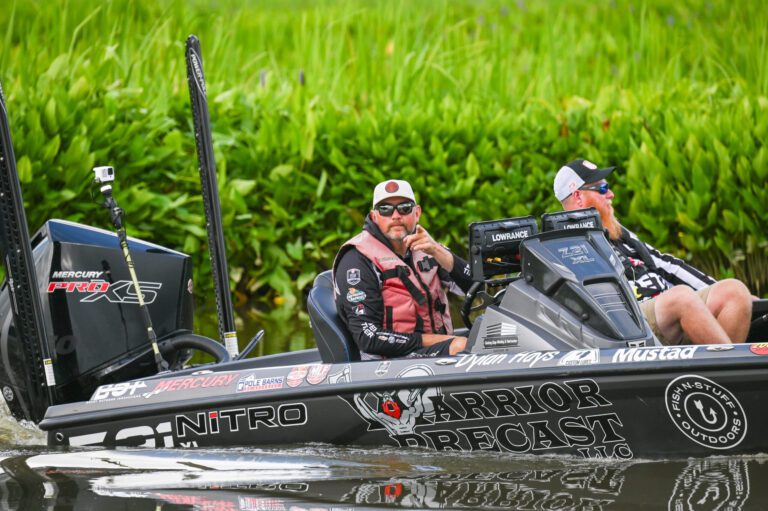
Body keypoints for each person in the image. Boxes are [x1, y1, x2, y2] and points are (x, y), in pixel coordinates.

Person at [554, 159, 752, 346]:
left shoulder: (616, 231)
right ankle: (732, 372)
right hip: (630, 324)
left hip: (666, 310)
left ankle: (717, 375)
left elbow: (665, 264)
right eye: (603, 188)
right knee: (681, 297)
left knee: (734, 291)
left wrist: (714, 287)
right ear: (578, 196)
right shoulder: (566, 243)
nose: (611, 194)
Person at [333, 179, 472, 358]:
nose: (396, 215)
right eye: (385, 209)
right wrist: (445, 341)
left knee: (493, 336)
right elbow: (368, 338)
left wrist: (438, 251)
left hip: (437, 350)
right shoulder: (356, 260)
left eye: (404, 208)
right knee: (461, 348)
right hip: (388, 362)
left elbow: (477, 287)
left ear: (417, 213)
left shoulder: (428, 248)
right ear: (374, 216)